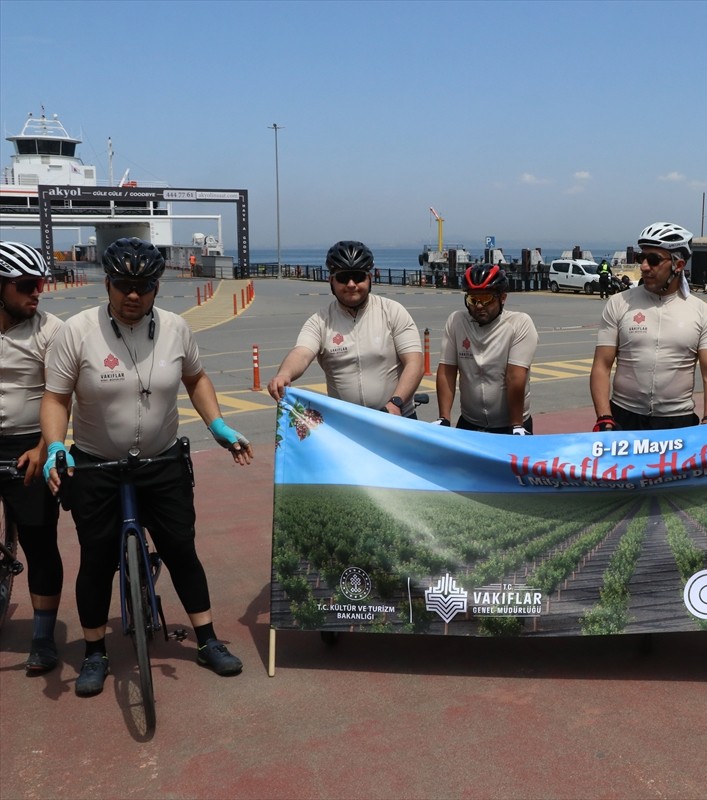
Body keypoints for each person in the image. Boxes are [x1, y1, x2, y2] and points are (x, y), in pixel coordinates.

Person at [40, 237, 253, 697]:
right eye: (123, 285)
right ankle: (94, 651)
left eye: (143, 286)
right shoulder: (76, 331)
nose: (132, 295)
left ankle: (207, 640)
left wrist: (218, 425)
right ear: (107, 284)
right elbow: (56, 398)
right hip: (96, 464)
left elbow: (196, 377)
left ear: (157, 287)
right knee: (96, 560)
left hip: (161, 461)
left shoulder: (176, 328)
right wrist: (57, 446)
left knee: (181, 550)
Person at [0, 241, 65, 675]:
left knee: (40, 542)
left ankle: (42, 636)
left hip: (29, 444)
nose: (37, 292)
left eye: (40, 283)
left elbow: (61, 396)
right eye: (26, 285)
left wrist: (44, 448)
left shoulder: (50, 330)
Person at [589, 222, 707, 431]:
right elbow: (601, 366)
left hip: (677, 421)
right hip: (624, 417)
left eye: (653, 260)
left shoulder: (702, 312)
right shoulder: (619, 303)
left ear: (678, 265)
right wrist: (604, 417)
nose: (644, 266)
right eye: (641, 258)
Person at [268, 241, 423, 416]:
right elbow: (301, 354)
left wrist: (396, 402)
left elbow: (414, 363)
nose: (351, 284)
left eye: (358, 277)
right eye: (343, 278)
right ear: (331, 280)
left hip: (396, 416)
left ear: (370, 278)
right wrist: (284, 374)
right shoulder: (320, 321)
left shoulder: (393, 311)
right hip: (346, 423)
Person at [435, 265, 538, 434]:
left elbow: (515, 377)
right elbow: (447, 371)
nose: (479, 305)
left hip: (510, 424)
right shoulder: (456, 322)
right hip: (469, 422)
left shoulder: (519, 323)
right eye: (473, 299)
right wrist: (444, 418)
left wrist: (517, 425)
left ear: (502, 297)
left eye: (486, 298)